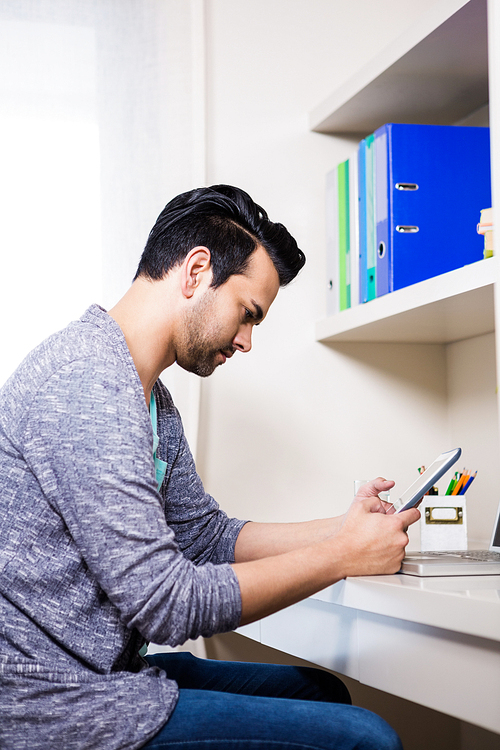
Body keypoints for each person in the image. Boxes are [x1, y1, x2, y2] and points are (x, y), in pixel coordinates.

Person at [0, 184, 419, 750]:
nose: (246, 341)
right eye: (248, 315)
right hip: (51, 704)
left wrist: (343, 530)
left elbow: (203, 535)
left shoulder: (147, 395)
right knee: (368, 739)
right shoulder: (87, 381)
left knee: (319, 692)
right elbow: (169, 605)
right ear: (197, 271)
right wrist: (340, 557)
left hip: (105, 676)